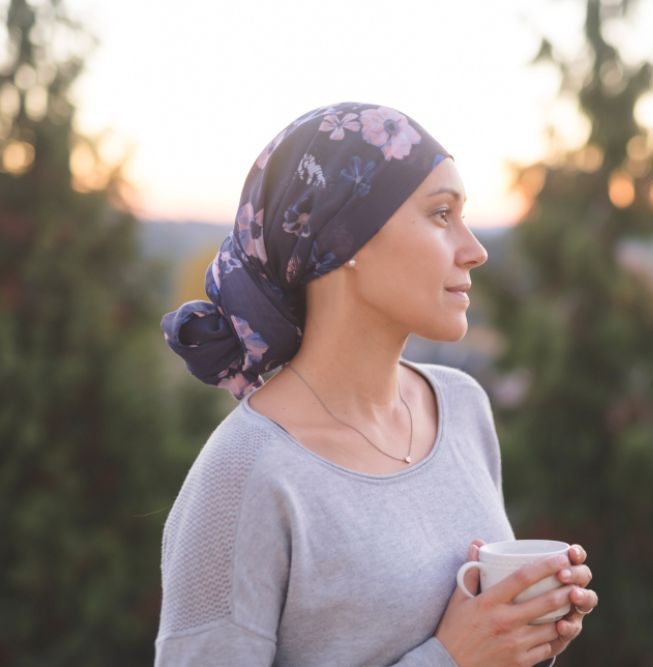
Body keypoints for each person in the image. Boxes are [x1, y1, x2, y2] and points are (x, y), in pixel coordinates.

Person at [155, 102, 598, 666]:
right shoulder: (245, 474)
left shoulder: (463, 409)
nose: (475, 249)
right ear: (345, 240)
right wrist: (450, 660)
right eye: (442, 215)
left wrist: (522, 633)